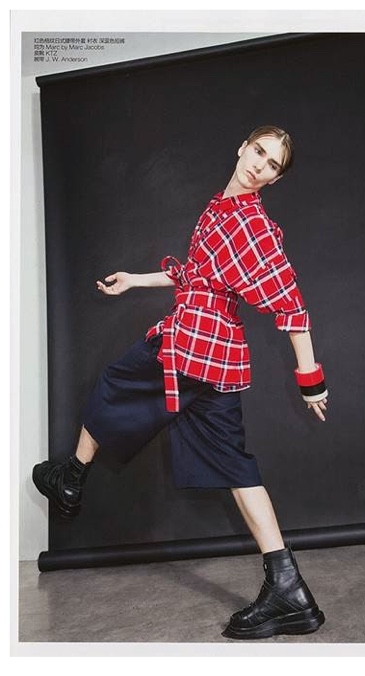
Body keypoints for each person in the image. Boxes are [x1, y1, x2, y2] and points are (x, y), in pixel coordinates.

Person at [32, 125, 329, 640]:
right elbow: (195, 274)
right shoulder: (220, 208)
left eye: (272, 165)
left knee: (115, 384)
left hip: (192, 345)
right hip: (217, 360)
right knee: (235, 465)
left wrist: (310, 379)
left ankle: (72, 477)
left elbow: (290, 302)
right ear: (242, 146)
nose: (259, 165)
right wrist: (135, 280)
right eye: (259, 151)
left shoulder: (252, 226)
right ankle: (290, 590)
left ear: (275, 179)